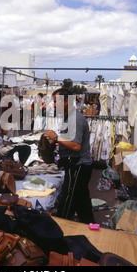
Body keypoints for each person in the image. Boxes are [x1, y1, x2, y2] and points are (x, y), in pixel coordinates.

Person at [44, 88, 95, 224]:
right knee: (82, 199)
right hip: (78, 164)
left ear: (67, 101)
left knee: (68, 198)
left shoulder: (75, 119)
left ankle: (61, 226)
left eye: (56, 102)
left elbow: (75, 146)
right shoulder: (68, 117)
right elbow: (68, 140)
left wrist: (56, 138)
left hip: (78, 166)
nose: (54, 105)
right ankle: (90, 224)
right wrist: (56, 142)